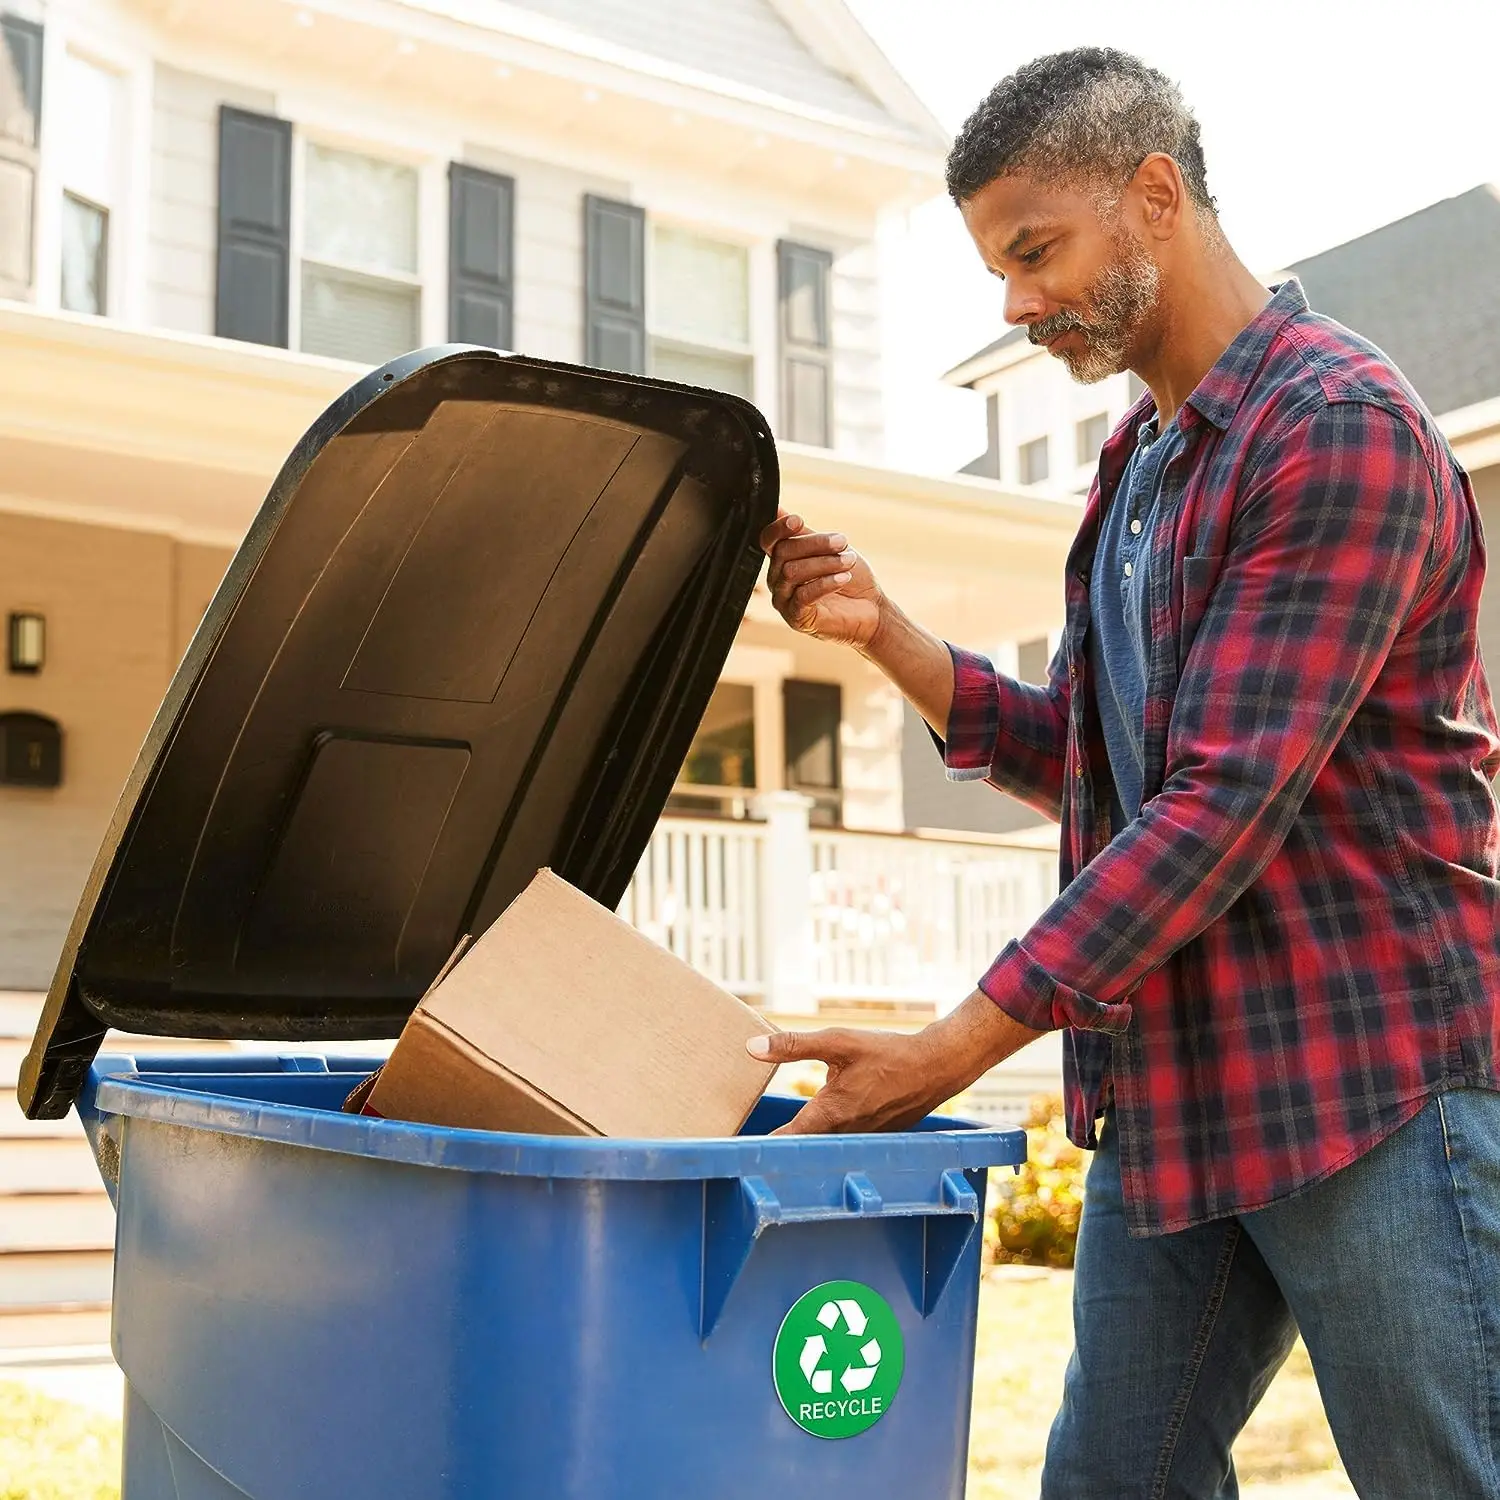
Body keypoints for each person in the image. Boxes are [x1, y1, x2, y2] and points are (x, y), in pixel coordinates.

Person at [748, 46, 1500, 1500]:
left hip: (1371, 1084)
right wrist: (887, 635)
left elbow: (1219, 810)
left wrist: (947, 1053)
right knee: (1111, 1482)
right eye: (998, 268)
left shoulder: (1332, 427)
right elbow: (1102, 771)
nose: (1016, 303)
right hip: (1185, 1085)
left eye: (1037, 251)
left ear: (1155, 196)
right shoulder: (1143, 462)